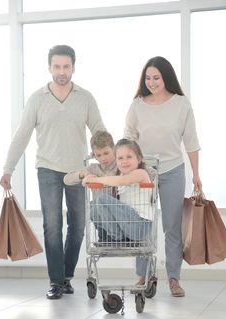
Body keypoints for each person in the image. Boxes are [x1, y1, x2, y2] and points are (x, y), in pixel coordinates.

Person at [0, 45, 106, 300]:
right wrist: (7, 169)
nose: (61, 72)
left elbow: (100, 132)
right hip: (47, 169)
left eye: (66, 67)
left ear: (73, 68)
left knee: (78, 226)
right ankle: (56, 282)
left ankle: (66, 276)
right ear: (49, 67)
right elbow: (21, 136)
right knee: (52, 226)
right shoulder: (37, 99)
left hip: (78, 172)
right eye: (56, 66)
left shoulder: (85, 98)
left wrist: (112, 163)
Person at [123, 56, 202, 297]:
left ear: (166, 77)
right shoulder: (137, 104)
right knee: (142, 224)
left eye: (156, 77)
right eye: (148, 78)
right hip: (143, 172)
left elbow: (191, 142)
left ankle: (174, 279)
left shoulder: (181, 104)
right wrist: (127, 167)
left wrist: (196, 175)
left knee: (172, 227)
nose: (152, 82)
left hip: (172, 170)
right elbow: (128, 137)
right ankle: (143, 274)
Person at [82, 139, 155, 244]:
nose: (124, 161)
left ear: (139, 159)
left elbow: (122, 181)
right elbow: (110, 179)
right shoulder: (120, 175)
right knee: (93, 205)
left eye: (129, 157)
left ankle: (116, 238)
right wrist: (89, 177)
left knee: (102, 199)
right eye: (120, 158)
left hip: (140, 226)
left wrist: (94, 180)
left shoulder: (141, 173)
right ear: (116, 161)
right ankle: (105, 237)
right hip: (127, 224)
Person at [64, 130, 117, 242]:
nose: (103, 158)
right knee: (92, 206)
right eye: (99, 155)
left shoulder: (120, 165)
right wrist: (83, 174)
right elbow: (66, 179)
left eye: (106, 153)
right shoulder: (94, 168)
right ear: (94, 155)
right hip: (101, 217)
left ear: (114, 149)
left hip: (117, 213)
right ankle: (105, 236)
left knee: (100, 203)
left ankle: (113, 236)